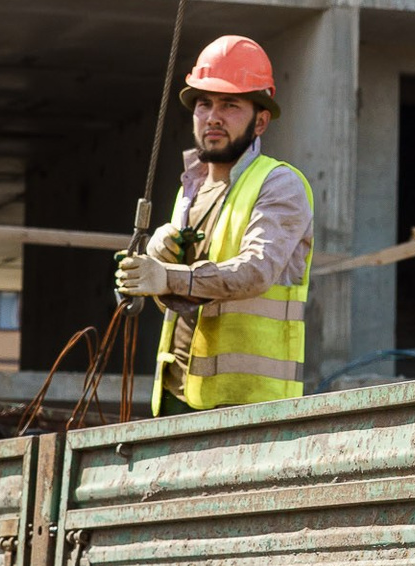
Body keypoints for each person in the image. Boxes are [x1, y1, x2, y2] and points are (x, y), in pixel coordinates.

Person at [113, 34, 315, 409]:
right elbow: (180, 300)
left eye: (230, 104)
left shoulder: (279, 184)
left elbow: (257, 270)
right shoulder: (190, 187)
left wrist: (169, 277)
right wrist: (158, 264)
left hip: (250, 407)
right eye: (203, 103)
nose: (213, 117)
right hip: (177, 396)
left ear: (261, 121)